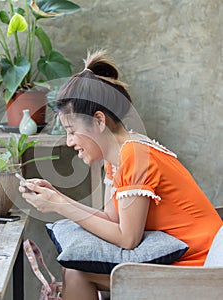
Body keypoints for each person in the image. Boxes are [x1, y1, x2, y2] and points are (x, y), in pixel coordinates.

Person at [19, 50, 222, 300]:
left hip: (203, 268)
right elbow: (112, 220)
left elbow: (127, 239)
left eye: (71, 131)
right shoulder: (117, 158)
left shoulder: (134, 156)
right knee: (74, 270)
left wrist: (58, 205)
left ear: (99, 121)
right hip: (185, 259)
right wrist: (56, 198)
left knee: (77, 274)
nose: (69, 141)